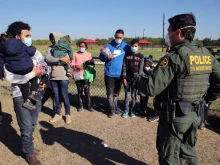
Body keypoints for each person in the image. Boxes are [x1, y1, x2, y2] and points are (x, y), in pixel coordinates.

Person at [137, 13, 220, 165]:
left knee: (169, 154)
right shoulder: (206, 54)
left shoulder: (175, 57)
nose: (168, 35)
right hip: (196, 114)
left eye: (169, 31)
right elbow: (219, 81)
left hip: (175, 116)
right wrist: (207, 99)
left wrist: (136, 79)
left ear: (179, 32)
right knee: (188, 152)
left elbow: (151, 87)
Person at [0, 21, 44, 165]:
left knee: (32, 123)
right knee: (25, 125)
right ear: (17, 37)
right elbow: (11, 77)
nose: (29, 38)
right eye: (27, 35)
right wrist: (33, 73)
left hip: (37, 92)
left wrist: (43, 77)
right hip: (20, 94)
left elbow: (43, 63)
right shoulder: (8, 55)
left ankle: (28, 145)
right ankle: (29, 154)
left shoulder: (31, 49)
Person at [0, 34, 45, 110]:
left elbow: (1, 63)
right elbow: (29, 50)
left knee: (24, 81)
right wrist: (33, 49)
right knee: (34, 76)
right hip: (27, 66)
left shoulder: (2, 50)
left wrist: (1, 75)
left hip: (15, 69)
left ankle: (27, 100)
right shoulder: (19, 43)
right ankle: (33, 93)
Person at [99, 29, 130, 118]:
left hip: (120, 75)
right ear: (114, 36)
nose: (118, 38)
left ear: (123, 37)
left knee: (116, 93)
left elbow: (134, 54)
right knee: (110, 93)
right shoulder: (108, 46)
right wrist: (106, 57)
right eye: (117, 37)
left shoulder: (126, 47)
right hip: (109, 74)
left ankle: (115, 107)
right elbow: (101, 57)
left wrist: (145, 58)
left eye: (120, 37)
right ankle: (111, 109)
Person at [46, 32, 71, 124]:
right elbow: (48, 59)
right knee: (56, 96)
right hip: (53, 76)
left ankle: (67, 114)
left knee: (64, 95)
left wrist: (55, 61)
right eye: (51, 38)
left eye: (54, 38)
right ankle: (58, 113)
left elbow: (67, 60)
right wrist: (60, 59)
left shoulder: (65, 47)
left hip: (63, 76)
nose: (52, 40)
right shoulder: (50, 48)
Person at [121, 39, 144, 118]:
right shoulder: (127, 55)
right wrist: (124, 78)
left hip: (135, 80)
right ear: (130, 46)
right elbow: (124, 67)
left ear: (138, 46)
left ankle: (133, 110)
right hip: (127, 79)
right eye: (132, 46)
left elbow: (140, 70)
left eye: (135, 46)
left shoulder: (141, 56)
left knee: (133, 96)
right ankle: (126, 110)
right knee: (127, 95)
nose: (134, 47)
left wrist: (138, 79)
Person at [70, 41, 95, 112]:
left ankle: (89, 105)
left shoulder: (89, 54)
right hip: (78, 75)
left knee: (87, 90)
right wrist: (76, 66)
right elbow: (71, 64)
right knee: (79, 90)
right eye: (80, 46)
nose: (81, 48)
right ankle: (80, 105)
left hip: (86, 75)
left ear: (86, 47)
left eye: (83, 46)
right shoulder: (75, 54)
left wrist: (86, 66)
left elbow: (92, 63)